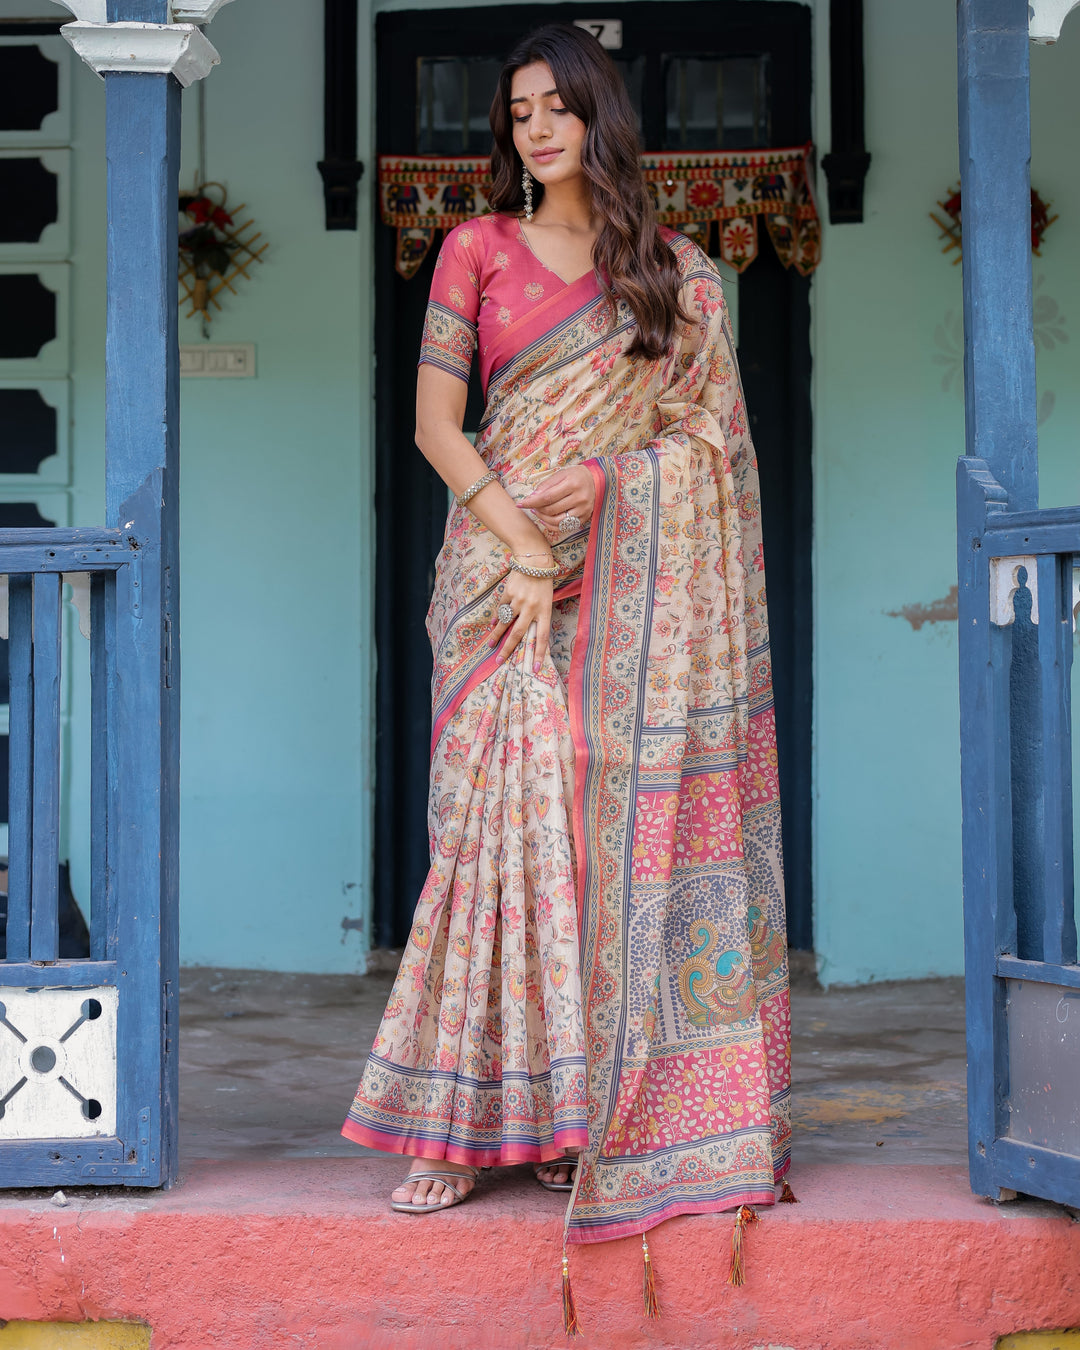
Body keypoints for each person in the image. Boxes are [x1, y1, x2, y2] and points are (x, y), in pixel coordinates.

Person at [343, 19, 791, 1288]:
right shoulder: (474, 248)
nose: (535, 128)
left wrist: (601, 490)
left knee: (596, 850)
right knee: (488, 837)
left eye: (558, 106)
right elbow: (437, 426)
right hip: (497, 580)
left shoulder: (676, 271)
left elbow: (707, 446)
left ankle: (565, 1121)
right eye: (519, 110)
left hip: (628, 587)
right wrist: (524, 546)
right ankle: (454, 1127)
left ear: (602, 116)